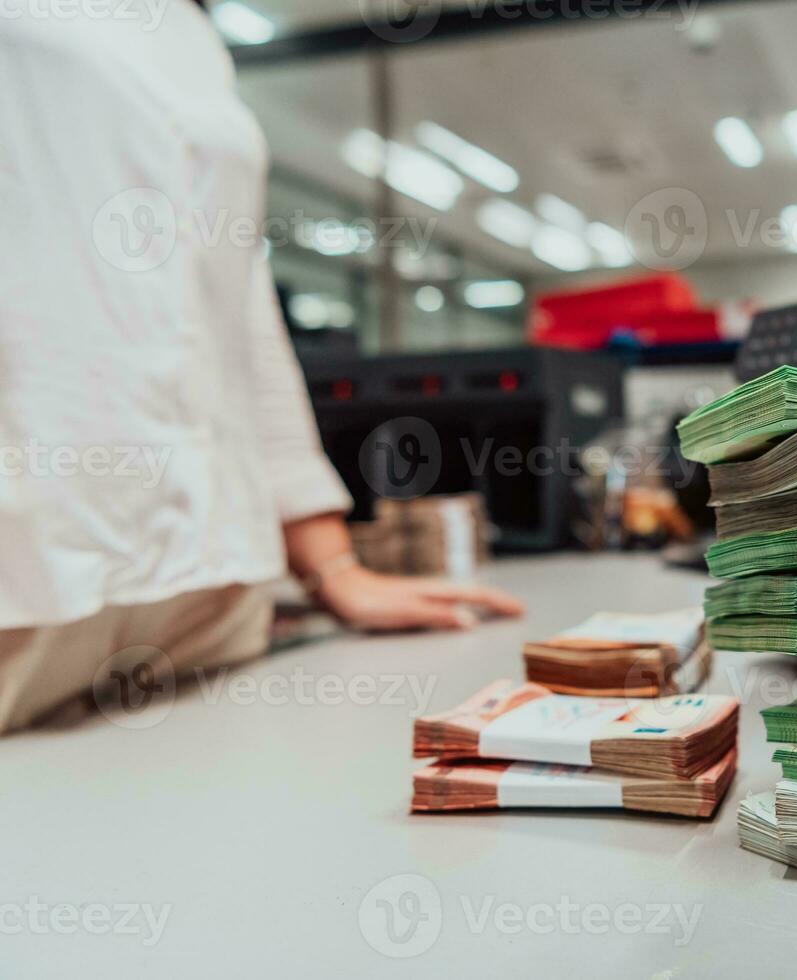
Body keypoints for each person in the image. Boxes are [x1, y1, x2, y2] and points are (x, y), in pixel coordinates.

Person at [0, 3, 522, 733]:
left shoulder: (189, 30)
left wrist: (332, 568)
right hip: (24, 581)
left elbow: (239, 309)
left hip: (207, 601)